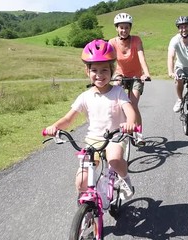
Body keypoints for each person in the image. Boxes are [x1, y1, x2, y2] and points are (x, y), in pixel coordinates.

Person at [44, 39, 136, 200]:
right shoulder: (85, 96)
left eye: (104, 70)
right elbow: (68, 118)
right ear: (87, 71)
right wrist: (55, 127)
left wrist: (130, 123)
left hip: (115, 137)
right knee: (81, 182)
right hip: (92, 140)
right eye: (94, 70)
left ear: (112, 70)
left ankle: (124, 178)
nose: (99, 75)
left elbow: (130, 111)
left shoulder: (118, 92)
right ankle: (87, 209)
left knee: (114, 160)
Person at [109, 13, 151, 147]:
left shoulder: (136, 40)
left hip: (136, 77)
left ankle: (139, 134)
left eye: (126, 27)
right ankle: (113, 130)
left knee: (133, 104)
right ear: (116, 28)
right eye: (121, 27)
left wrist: (146, 73)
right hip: (120, 74)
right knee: (115, 98)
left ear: (130, 28)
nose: (124, 30)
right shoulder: (112, 42)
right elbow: (109, 61)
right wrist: (108, 76)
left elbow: (141, 57)